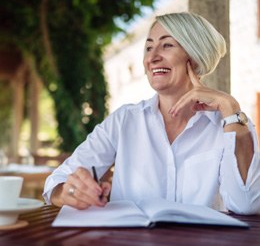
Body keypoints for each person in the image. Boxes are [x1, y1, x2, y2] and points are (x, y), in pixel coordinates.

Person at [43, 12, 260, 214]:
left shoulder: (232, 124)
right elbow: (55, 183)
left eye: (167, 45)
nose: (153, 57)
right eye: (148, 48)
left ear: (195, 56)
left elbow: (248, 205)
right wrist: (72, 192)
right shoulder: (124, 120)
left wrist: (230, 107)